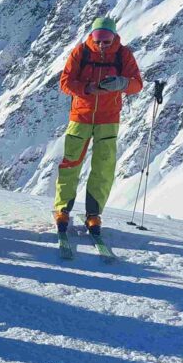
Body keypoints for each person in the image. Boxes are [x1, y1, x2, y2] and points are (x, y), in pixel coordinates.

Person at [54, 16, 143, 236]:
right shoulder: (81, 52)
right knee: (70, 163)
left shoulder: (123, 55)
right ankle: (62, 210)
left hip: (108, 118)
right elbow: (65, 82)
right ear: (91, 36)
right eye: (98, 38)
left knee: (103, 167)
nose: (102, 43)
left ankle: (93, 214)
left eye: (106, 39)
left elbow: (137, 85)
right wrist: (87, 88)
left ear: (114, 36)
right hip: (80, 116)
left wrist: (122, 83)